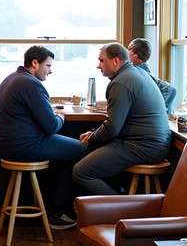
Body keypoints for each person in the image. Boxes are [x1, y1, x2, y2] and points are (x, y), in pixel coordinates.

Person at [0, 45, 86, 228]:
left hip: (6, 145)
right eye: (48, 66)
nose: (50, 71)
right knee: (82, 150)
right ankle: (59, 213)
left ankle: (54, 207)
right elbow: (51, 126)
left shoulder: (11, 78)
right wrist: (60, 116)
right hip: (26, 145)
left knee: (64, 156)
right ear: (35, 63)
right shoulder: (31, 83)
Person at [72, 42, 172, 197]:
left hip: (144, 146)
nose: (99, 66)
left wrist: (91, 139)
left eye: (102, 61)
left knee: (80, 172)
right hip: (154, 143)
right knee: (92, 152)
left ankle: (122, 209)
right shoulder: (139, 73)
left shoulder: (120, 82)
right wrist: (94, 135)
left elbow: (112, 128)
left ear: (116, 61)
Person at [127, 38, 177, 113]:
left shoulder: (138, 75)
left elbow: (170, 90)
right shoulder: (142, 74)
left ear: (134, 54)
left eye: (128, 50)